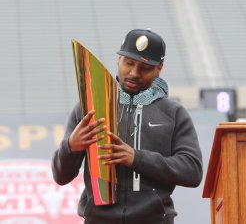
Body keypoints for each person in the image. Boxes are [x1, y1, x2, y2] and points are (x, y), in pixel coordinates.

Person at [52, 29, 203, 223]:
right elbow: (60, 176)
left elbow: (192, 171)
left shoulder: (174, 112)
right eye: (129, 63)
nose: (133, 73)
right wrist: (71, 147)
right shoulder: (89, 107)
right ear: (118, 60)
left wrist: (136, 158)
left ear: (160, 68)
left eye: (145, 68)